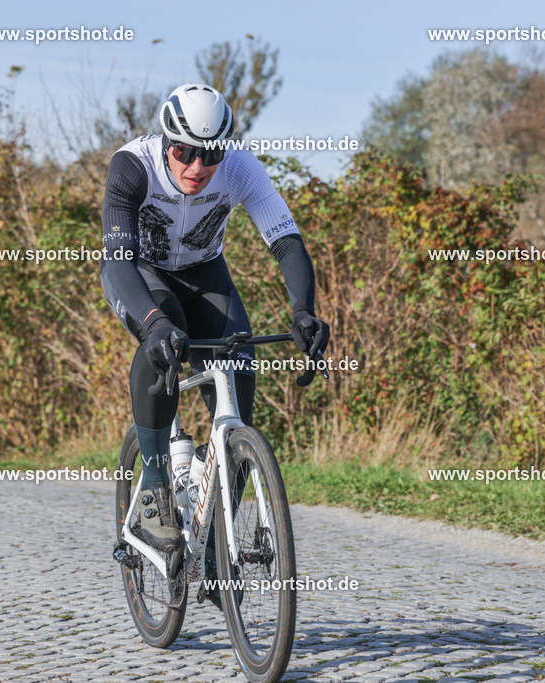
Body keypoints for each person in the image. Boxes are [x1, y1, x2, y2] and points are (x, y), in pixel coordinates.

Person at [100, 83, 329, 600]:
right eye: (184, 152)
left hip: (205, 275)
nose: (198, 166)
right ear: (166, 143)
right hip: (140, 274)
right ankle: (156, 485)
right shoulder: (132, 167)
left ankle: (214, 543)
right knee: (162, 343)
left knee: (240, 374)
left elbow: (286, 242)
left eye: (210, 154)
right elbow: (118, 259)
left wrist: (303, 311)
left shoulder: (242, 168)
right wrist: (154, 321)